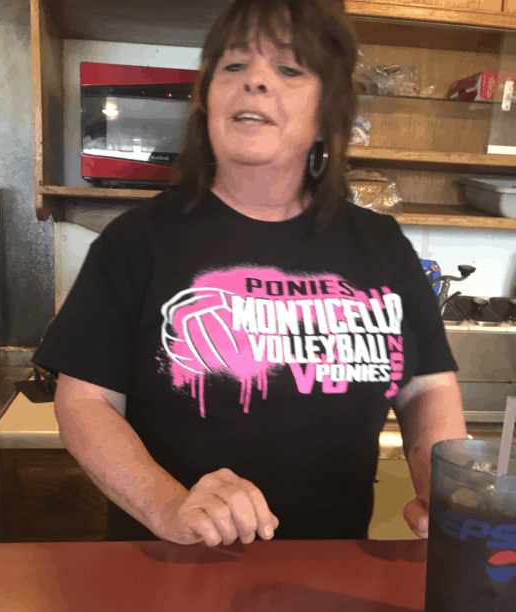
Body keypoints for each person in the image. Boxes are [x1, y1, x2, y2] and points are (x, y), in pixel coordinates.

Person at [33, 0, 467, 547]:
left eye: (288, 69)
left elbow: (427, 387)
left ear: (327, 111)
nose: (255, 82)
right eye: (233, 66)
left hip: (328, 574)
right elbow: (84, 402)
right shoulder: (137, 242)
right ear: (207, 100)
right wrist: (169, 506)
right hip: (177, 566)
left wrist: (442, 478)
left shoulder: (382, 248)